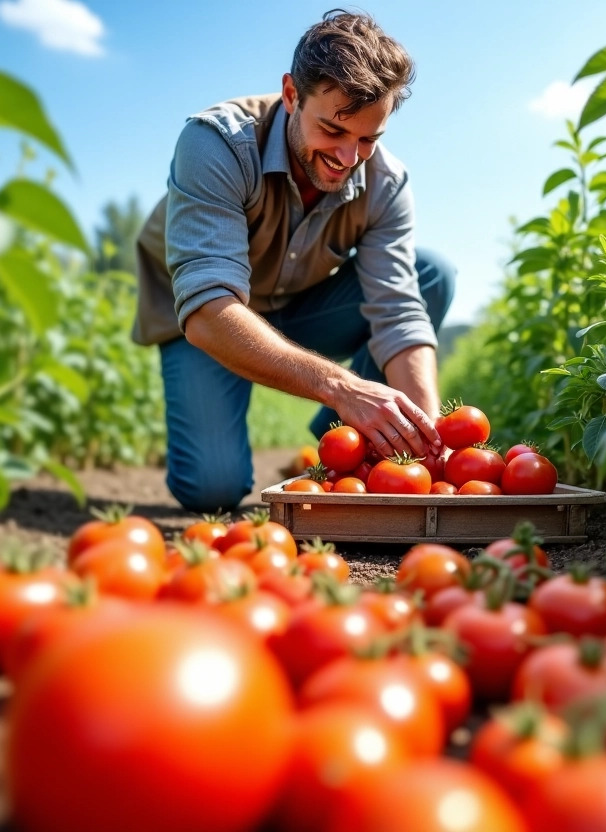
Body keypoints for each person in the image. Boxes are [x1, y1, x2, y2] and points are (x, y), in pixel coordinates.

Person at [132, 9, 455, 513]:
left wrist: (430, 445)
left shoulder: (386, 183)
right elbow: (208, 310)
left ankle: (342, 451)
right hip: (207, 318)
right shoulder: (216, 144)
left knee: (431, 275)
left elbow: (398, 314)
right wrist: (341, 386)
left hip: (299, 306)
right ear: (290, 95)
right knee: (212, 491)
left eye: (368, 139)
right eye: (332, 130)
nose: (349, 158)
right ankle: (349, 415)